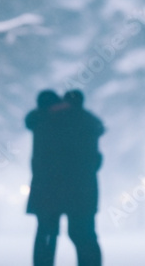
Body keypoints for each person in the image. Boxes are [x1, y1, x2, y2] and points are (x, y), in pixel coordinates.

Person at [26, 89, 104, 266]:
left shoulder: (42, 120)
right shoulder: (86, 121)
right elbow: (95, 160)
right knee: (83, 235)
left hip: (47, 189)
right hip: (82, 190)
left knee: (46, 235)